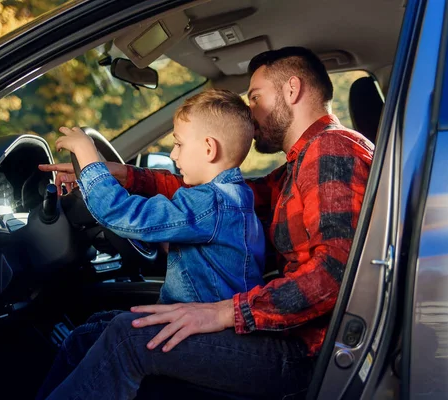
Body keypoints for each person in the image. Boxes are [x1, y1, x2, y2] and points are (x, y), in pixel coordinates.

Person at [37, 46, 374, 400]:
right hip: (282, 338)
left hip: (301, 356)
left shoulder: (332, 150)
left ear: (292, 90)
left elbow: (337, 272)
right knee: (89, 334)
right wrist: (125, 176)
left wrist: (225, 312)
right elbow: (215, 198)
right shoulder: (299, 164)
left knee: (127, 336)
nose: (250, 112)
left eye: (256, 97)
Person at [55, 88, 266, 305]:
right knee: (103, 326)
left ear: (209, 149)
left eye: (178, 144)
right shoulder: (237, 197)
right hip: (199, 318)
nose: (173, 155)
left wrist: (87, 156)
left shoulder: (210, 202)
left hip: (198, 328)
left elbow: (124, 214)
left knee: (97, 334)